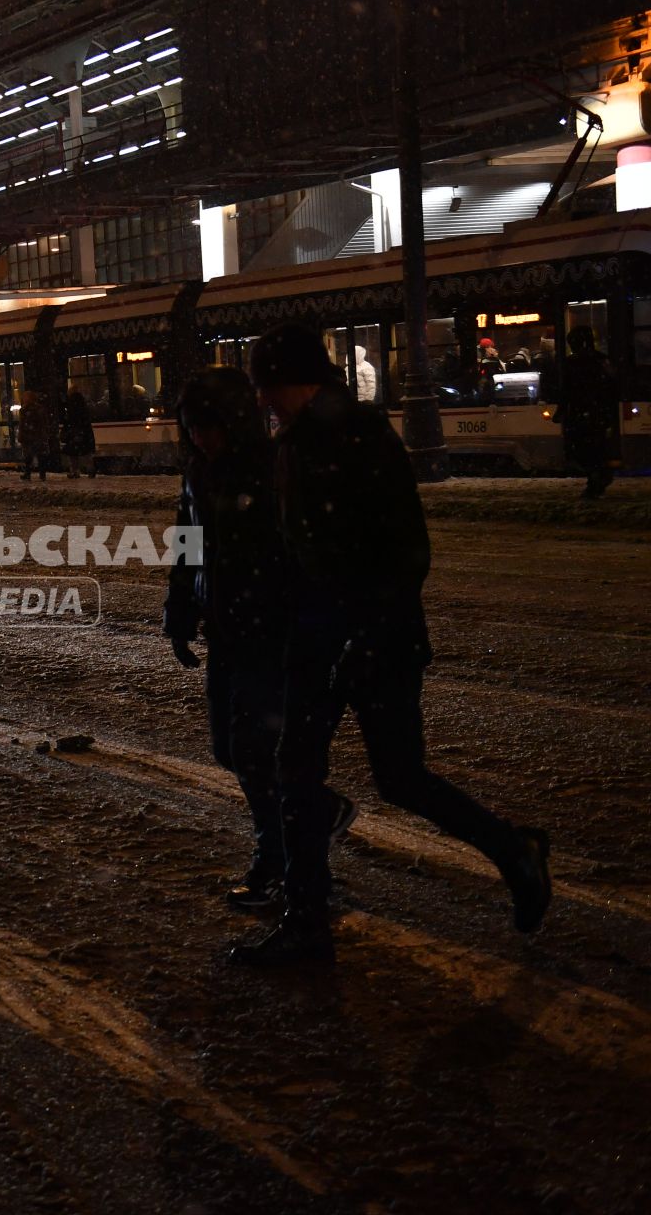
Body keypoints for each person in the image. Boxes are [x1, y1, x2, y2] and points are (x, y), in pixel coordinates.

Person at [236, 325, 550, 966]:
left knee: (398, 779)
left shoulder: (355, 438)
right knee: (297, 776)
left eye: (269, 388)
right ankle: (306, 924)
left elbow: (404, 552)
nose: (265, 402)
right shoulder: (297, 442)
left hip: (373, 639)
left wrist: (366, 630)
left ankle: (514, 850)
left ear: (298, 381)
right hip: (323, 638)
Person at [164, 367, 355, 910]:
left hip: (268, 634)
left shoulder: (270, 471)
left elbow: (302, 556)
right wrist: (180, 610)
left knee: (253, 750)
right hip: (228, 630)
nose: (199, 437)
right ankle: (313, 816)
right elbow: (187, 545)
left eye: (206, 426)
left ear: (233, 422)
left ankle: (279, 860)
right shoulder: (201, 471)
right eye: (192, 428)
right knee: (231, 748)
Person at [555, 326, 620, 499]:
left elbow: (566, 390)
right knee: (596, 447)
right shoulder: (601, 360)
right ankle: (598, 478)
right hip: (599, 412)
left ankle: (595, 480)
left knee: (584, 449)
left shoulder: (572, 362)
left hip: (581, 413)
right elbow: (613, 384)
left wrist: (561, 410)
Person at [18, 390, 55, 482]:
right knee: (40, 456)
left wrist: (21, 435)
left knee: (28, 457)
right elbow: (44, 423)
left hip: (30, 437)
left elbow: (22, 425)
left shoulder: (25, 410)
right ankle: (42, 475)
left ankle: (28, 474)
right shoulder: (40, 409)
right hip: (38, 437)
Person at [62, 389, 97, 478]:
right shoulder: (83, 408)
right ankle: (90, 470)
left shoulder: (71, 409)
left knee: (73, 454)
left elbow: (68, 421)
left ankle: (75, 471)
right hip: (83, 433)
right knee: (86, 453)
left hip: (73, 434)